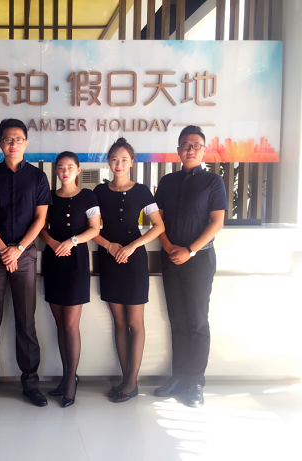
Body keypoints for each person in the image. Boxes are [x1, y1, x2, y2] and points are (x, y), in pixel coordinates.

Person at [0, 118, 52, 408]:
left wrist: (17, 249)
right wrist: (4, 249)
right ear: (0, 144)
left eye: (18, 139)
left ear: (26, 143)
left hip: (25, 255)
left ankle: (31, 384)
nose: (13, 144)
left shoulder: (38, 178)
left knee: (26, 321)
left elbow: (40, 219)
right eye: (7, 139)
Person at [153, 125, 227, 408]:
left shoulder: (213, 182)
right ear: (178, 150)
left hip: (199, 259)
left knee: (196, 321)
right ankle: (178, 377)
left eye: (196, 145)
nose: (190, 149)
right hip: (170, 257)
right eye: (185, 145)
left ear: (204, 150)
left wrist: (190, 250)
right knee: (177, 320)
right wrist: (168, 246)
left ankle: (195, 382)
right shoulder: (167, 182)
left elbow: (217, 222)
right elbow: (158, 220)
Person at [93, 138, 165, 403]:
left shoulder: (142, 192)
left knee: (135, 323)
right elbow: (91, 229)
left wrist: (133, 246)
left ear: (132, 162)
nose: (119, 164)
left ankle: (131, 383)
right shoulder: (99, 192)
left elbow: (158, 226)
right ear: (108, 162)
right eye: (114, 159)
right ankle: (126, 379)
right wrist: (109, 246)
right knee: (120, 322)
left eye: (124, 159)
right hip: (109, 259)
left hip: (134, 262)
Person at [40, 152, 100, 408]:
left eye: (70, 167)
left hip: (76, 262)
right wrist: (54, 243)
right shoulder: (48, 197)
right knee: (59, 323)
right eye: (61, 167)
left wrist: (72, 241)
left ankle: (71, 383)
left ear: (78, 170)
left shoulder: (88, 196)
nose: (65, 172)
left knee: (71, 325)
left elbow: (94, 228)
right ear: (56, 171)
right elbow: (41, 228)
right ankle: (66, 377)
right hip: (54, 261)